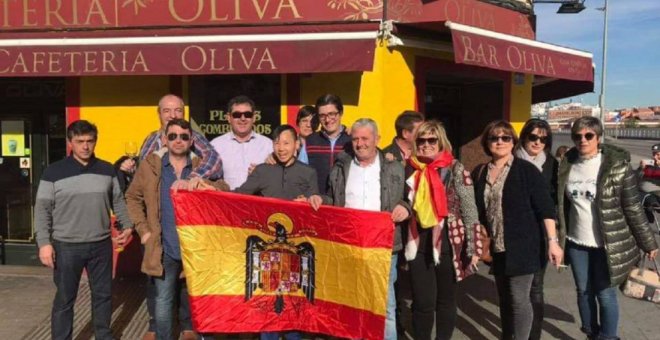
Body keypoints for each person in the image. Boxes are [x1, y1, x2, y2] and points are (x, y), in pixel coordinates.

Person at [124, 94, 219, 340]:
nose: (173, 115)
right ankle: (159, 331)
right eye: (168, 111)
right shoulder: (151, 161)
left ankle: (189, 329)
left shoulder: (198, 163)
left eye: (184, 136)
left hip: (192, 246)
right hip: (161, 243)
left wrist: (201, 181)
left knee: (194, 295)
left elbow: (220, 180)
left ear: (191, 139)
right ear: (165, 137)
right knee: (163, 300)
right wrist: (143, 231)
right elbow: (134, 194)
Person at [308, 118, 411, 340]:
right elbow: (332, 198)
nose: (360, 143)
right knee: (349, 304)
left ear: (377, 139)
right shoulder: (341, 166)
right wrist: (319, 198)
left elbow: (409, 199)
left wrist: (405, 208)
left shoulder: (395, 167)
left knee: (385, 307)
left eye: (365, 138)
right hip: (348, 246)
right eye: (355, 139)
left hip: (382, 247)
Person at [557, 116, 658, 340]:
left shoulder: (617, 167)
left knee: (605, 294)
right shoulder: (567, 165)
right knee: (583, 292)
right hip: (577, 242)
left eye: (588, 135)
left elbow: (632, 207)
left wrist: (648, 242)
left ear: (598, 137)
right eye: (577, 136)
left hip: (608, 243)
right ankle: (591, 333)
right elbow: (562, 206)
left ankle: (609, 337)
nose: (582, 140)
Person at [34, 120, 133, 340]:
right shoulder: (53, 172)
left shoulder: (107, 170)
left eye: (90, 141)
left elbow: (118, 202)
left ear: (95, 141)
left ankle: (103, 335)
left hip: (100, 245)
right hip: (66, 246)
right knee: (65, 299)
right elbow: (42, 211)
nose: (85, 146)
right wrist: (44, 244)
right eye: (80, 142)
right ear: (70, 142)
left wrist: (127, 226)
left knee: (103, 296)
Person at [472, 120, 562, 340]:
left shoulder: (526, 170)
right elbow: (477, 212)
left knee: (520, 299)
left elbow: (546, 208)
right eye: (494, 138)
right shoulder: (481, 172)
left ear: (513, 142)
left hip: (524, 246)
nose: (500, 142)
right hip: (498, 247)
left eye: (505, 137)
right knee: (504, 299)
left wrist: (553, 241)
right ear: (487, 143)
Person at [234, 124, 320, 340]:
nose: (281, 148)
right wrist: (211, 189)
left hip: (294, 254)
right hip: (268, 251)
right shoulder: (263, 170)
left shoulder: (308, 172)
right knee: (269, 306)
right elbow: (239, 196)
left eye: (286, 143)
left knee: (294, 307)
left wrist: (314, 200)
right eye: (277, 143)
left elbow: (318, 202)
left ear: (297, 145)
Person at [403, 120, 480, 340]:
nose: (426, 145)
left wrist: (474, 246)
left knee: (446, 301)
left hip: (449, 244)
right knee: (422, 302)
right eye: (421, 140)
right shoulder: (410, 167)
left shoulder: (456, 169)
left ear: (440, 142)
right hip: (417, 244)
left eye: (431, 140)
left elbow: (469, 210)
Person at [513, 118, 559, 340]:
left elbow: (556, 199)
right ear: (524, 137)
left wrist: (555, 237)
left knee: (536, 289)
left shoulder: (551, 164)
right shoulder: (510, 160)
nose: (538, 142)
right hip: (514, 235)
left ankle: (534, 336)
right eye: (533, 137)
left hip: (541, 235)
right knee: (514, 292)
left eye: (543, 138)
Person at [210, 95, 273, 190]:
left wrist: (264, 173)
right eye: (237, 115)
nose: (242, 118)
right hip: (227, 202)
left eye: (247, 114)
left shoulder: (268, 145)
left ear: (254, 117)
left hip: (259, 202)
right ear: (228, 118)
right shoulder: (216, 145)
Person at [306, 94, 352, 192]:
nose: (327, 120)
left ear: (340, 113)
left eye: (331, 114)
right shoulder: (310, 141)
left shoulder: (352, 140)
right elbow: (300, 172)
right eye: (322, 116)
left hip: (346, 201)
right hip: (317, 201)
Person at [637, 143, 660, 223]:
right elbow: (636, 177)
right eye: (653, 154)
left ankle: (651, 203)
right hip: (645, 191)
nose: (654, 157)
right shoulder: (649, 165)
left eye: (657, 154)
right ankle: (650, 204)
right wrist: (641, 168)